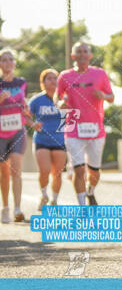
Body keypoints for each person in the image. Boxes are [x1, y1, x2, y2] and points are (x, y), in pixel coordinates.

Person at [56, 42, 114, 205]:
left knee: (94, 171)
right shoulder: (65, 76)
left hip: (96, 129)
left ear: (90, 55)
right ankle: (82, 206)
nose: (82, 54)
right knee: (79, 169)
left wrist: (103, 95)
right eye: (78, 52)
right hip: (73, 128)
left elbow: (111, 97)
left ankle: (90, 191)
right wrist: (60, 103)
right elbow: (57, 97)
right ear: (73, 56)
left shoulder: (100, 74)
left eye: (85, 51)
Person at [0, 48, 31, 223]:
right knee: (3, 173)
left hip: (18, 131)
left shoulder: (22, 82)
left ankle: (18, 209)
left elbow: (23, 105)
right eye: (3, 60)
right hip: (0, 133)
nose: (7, 63)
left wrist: (26, 110)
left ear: (14, 63)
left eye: (10, 59)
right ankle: (5, 207)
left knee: (16, 170)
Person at [29, 69, 67, 209]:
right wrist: (32, 123)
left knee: (57, 173)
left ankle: (54, 200)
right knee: (44, 170)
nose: (52, 81)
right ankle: (44, 195)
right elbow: (26, 114)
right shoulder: (37, 100)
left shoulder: (64, 99)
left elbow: (75, 114)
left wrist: (67, 108)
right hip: (41, 140)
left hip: (60, 140)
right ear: (43, 82)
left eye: (55, 78)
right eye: (49, 78)